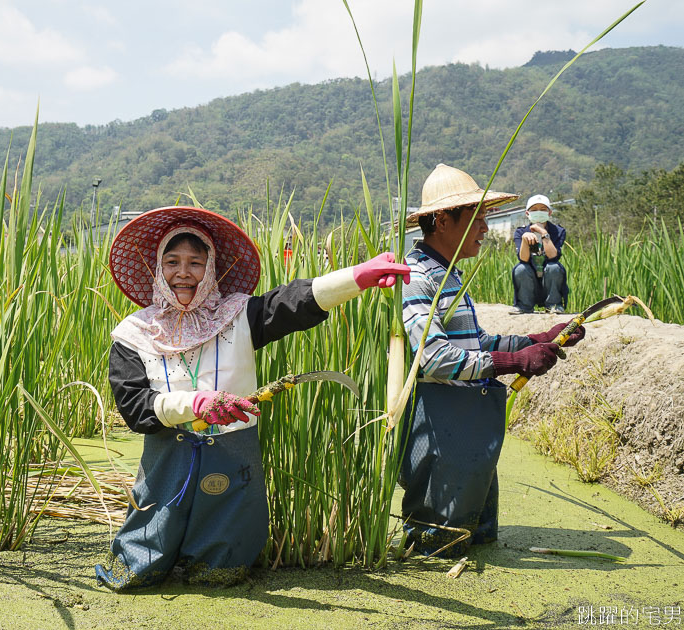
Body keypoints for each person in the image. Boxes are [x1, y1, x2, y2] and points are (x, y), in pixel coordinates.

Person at [95, 206, 410, 590]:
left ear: (212, 269)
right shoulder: (133, 334)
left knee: (223, 558)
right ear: (157, 270)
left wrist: (357, 278)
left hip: (232, 453)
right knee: (145, 556)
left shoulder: (239, 315)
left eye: (196, 262)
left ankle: (217, 566)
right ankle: (142, 563)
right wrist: (195, 405)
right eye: (172, 261)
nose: (183, 272)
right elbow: (135, 408)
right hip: (168, 453)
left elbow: (295, 302)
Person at [400, 164, 585, 557]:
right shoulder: (418, 276)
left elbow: (476, 342)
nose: (485, 227)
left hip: (471, 426)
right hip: (441, 427)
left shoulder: (449, 276)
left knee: (478, 540)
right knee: (440, 547)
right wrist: (513, 362)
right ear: (443, 221)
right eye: (477, 217)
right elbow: (433, 359)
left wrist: (537, 339)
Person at [511, 194, 568, 314]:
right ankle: (524, 306)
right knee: (520, 268)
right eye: (534, 210)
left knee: (554, 267)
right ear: (527, 213)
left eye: (543, 210)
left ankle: (554, 305)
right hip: (530, 281)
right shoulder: (520, 231)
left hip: (549, 281)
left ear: (549, 212)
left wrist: (544, 233)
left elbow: (553, 256)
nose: (538, 212)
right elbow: (523, 259)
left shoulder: (558, 231)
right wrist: (525, 240)